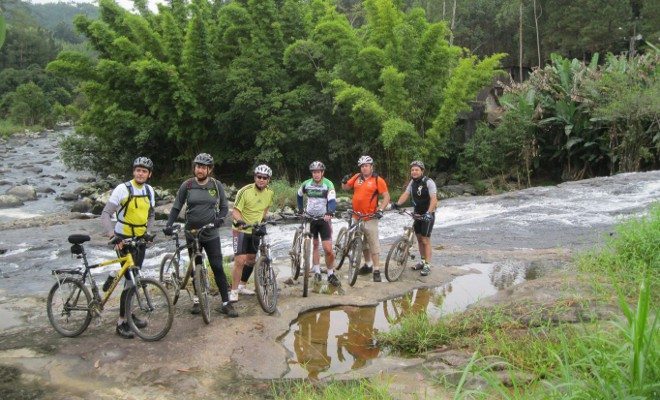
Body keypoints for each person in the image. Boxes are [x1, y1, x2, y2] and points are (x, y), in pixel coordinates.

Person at [164, 153, 237, 317]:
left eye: (203, 167)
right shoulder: (187, 185)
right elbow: (176, 207)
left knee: (217, 266)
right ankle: (197, 299)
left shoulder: (216, 186)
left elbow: (224, 208)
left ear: (209, 169)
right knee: (194, 266)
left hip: (211, 232)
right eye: (198, 166)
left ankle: (226, 302)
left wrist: (219, 219)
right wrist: (169, 224)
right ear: (194, 168)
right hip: (192, 233)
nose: (200, 170)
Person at [101, 156, 156, 339]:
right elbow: (106, 214)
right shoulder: (122, 189)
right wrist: (112, 236)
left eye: (144, 171)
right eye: (138, 170)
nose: (141, 173)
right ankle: (121, 322)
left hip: (139, 239)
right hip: (122, 239)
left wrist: (148, 232)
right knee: (130, 280)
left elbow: (151, 214)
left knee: (134, 277)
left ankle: (129, 315)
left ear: (149, 175)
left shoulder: (149, 190)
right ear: (134, 171)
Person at [341, 155, 390, 282]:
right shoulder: (357, 177)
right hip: (356, 216)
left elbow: (386, 197)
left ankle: (376, 269)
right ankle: (367, 264)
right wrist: (343, 181)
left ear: (371, 167)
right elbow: (346, 188)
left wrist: (381, 210)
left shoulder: (378, 180)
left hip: (370, 217)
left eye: (366, 166)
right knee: (362, 243)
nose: (364, 168)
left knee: (373, 243)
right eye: (362, 166)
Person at [230, 164, 274, 302]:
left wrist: (263, 221)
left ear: (268, 180)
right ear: (255, 177)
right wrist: (240, 221)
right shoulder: (245, 191)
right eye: (259, 177)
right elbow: (235, 211)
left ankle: (243, 286)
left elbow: (265, 209)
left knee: (251, 260)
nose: (261, 179)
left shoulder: (270, 193)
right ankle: (234, 290)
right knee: (240, 261)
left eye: (264, 178)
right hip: (241, 229)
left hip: (255, 229)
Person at [296, 161, 341, 287]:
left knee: (328, 250)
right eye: (314, 172)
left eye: (318, 172)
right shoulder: (306, 184)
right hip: (310, 219)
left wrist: (330, 211)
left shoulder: (328, 184)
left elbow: (332, 200)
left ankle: (331, 274)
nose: (316, 174)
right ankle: (316, 271)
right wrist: (300, 209)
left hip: (324, 219)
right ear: (312, 173)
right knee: (314, 245)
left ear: (322, 173)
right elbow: (299, 195)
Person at [391, 160, 438, 276]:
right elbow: (406, 194)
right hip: (416, 213)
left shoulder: (429, 182)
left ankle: (427, 265)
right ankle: (422, 261)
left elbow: (434, 199)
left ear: (422, 171)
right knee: (419, 239)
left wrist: (429, 212)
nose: (414, 172)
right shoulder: (412, 182)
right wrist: (397, 204)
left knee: (425, 240)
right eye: (412, 170)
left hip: (428, 214)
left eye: (417, 169)